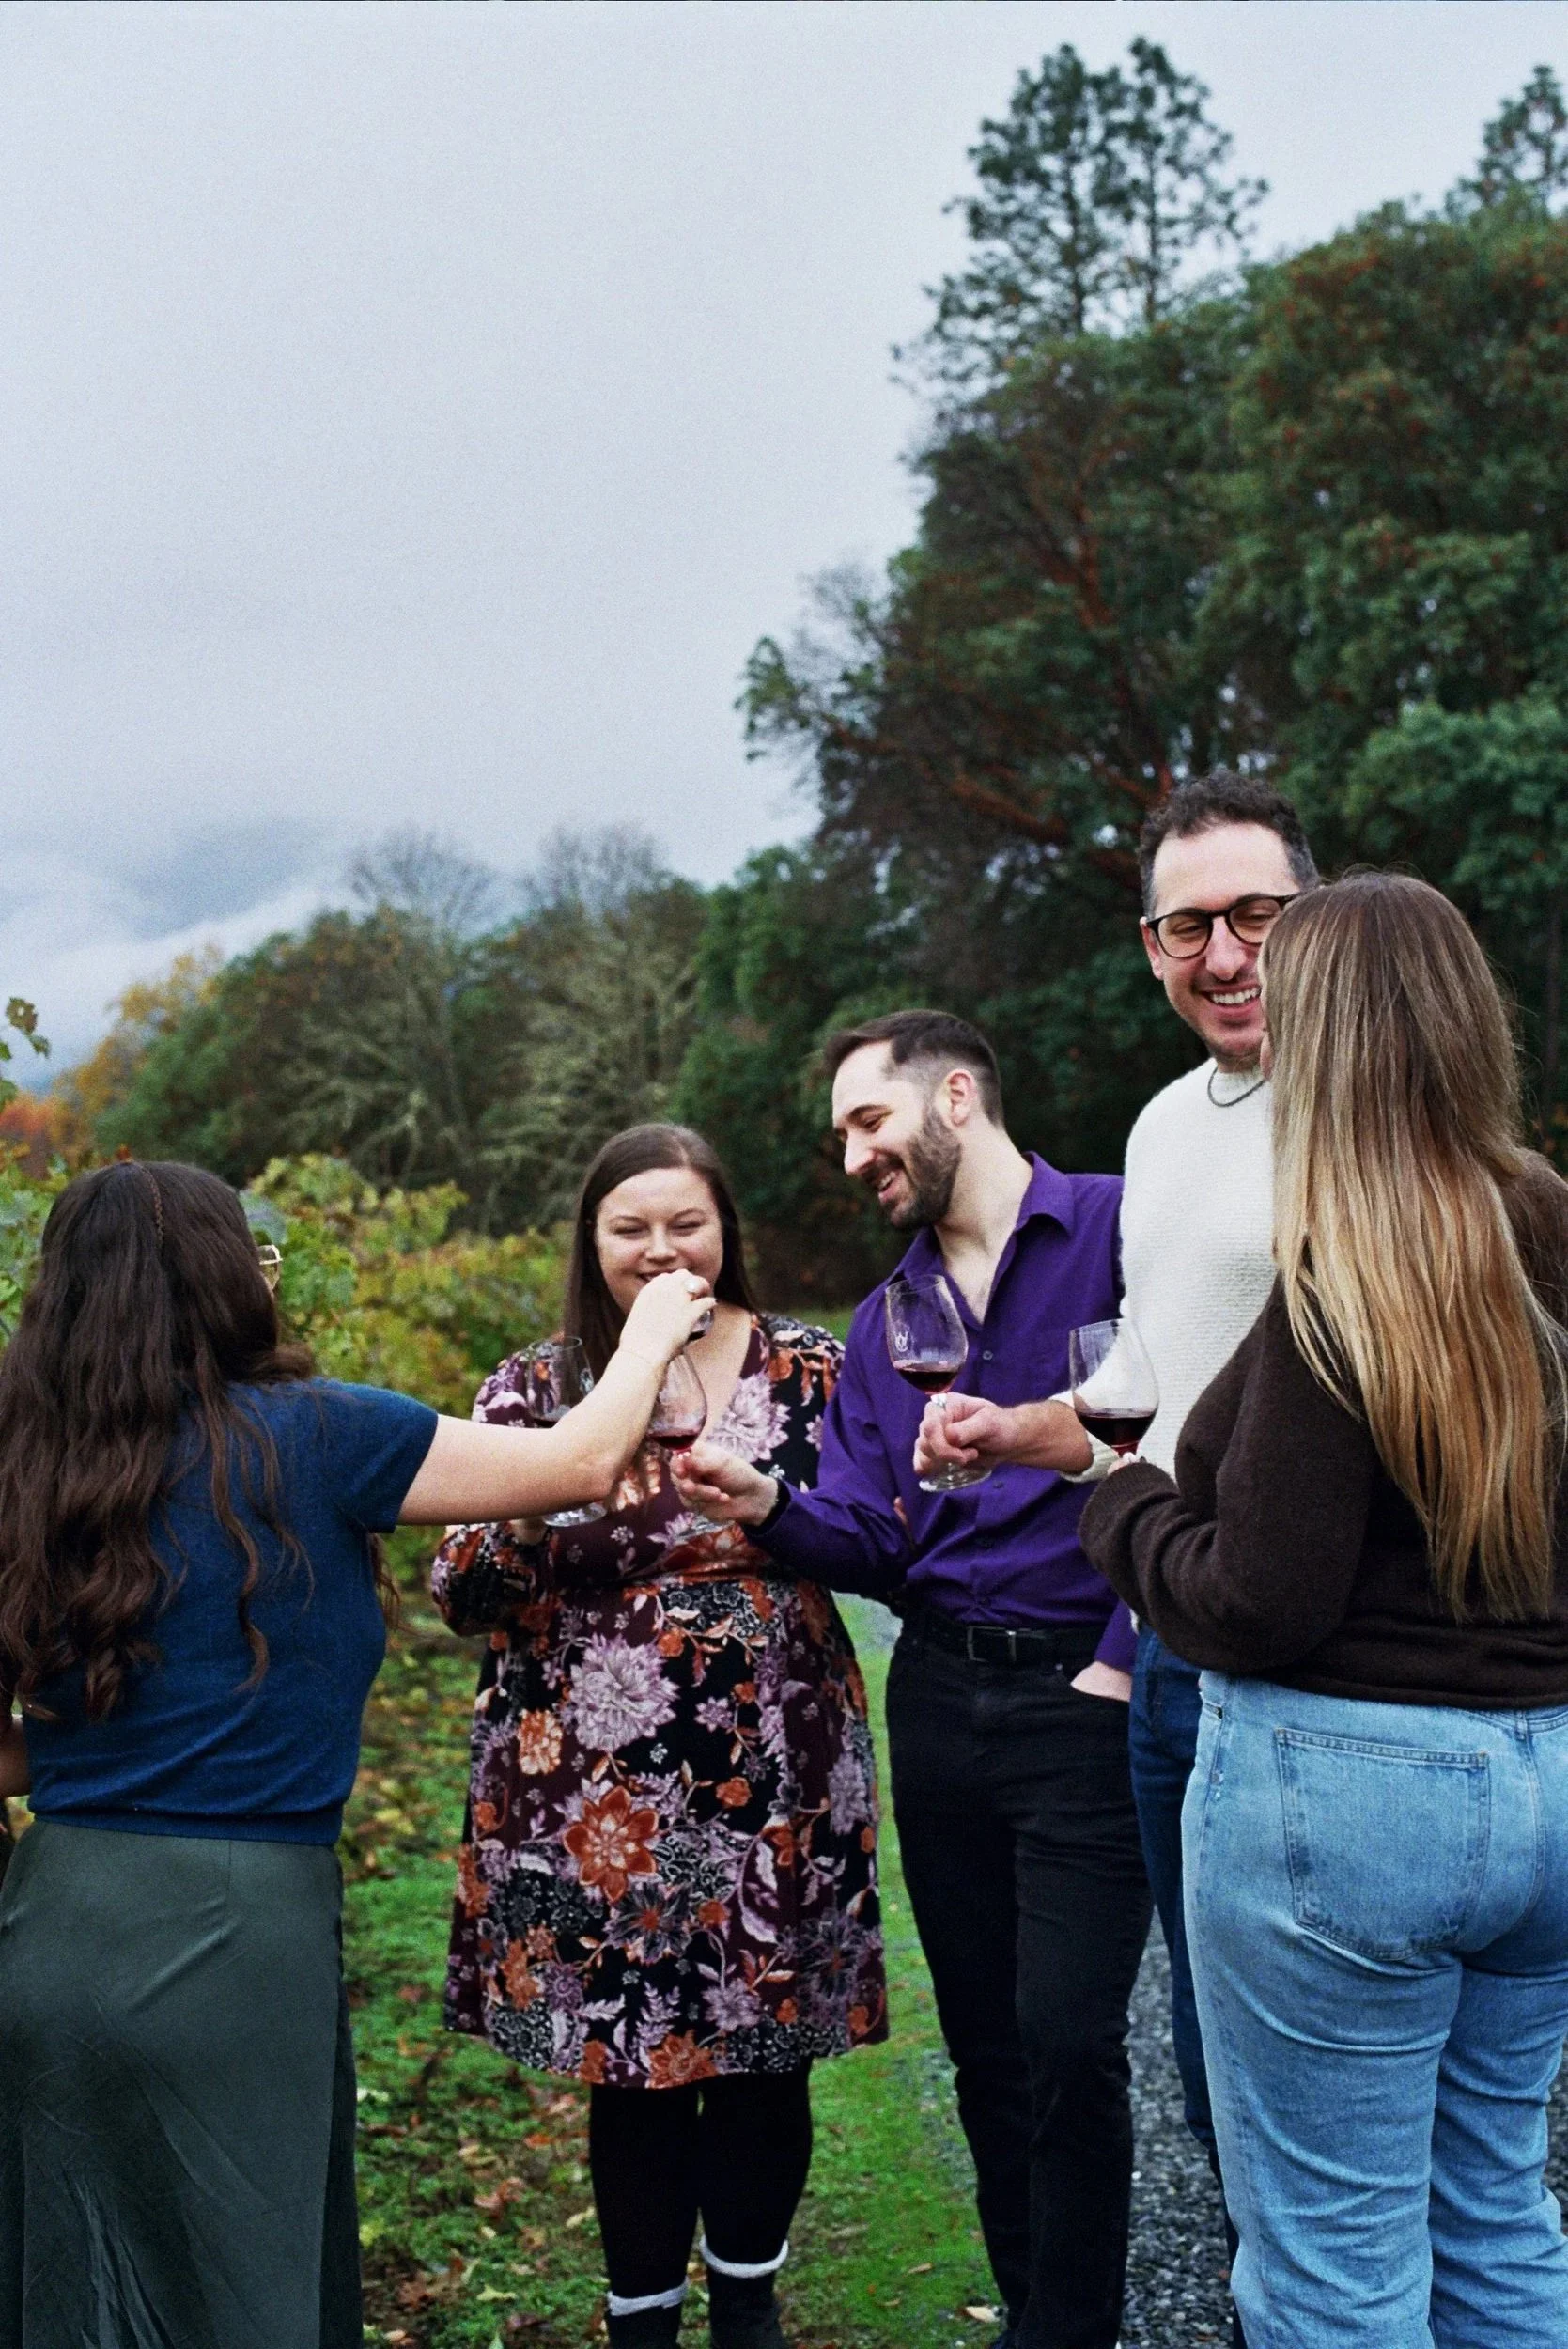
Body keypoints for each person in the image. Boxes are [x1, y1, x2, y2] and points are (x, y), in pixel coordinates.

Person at [0, 1158, 711, 2349]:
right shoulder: (320, 1434)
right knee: (246, 2281)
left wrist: (107, 1752)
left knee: (75, 2290)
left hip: (53, 1922)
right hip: (240, 1936)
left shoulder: (24, 1463)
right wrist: (648, 1327)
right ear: (227, 1277)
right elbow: (580, 1462)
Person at [1080, 874, 1568, 2347]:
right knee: (1495, 2215)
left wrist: (1120, 1504)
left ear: (1335, 1033)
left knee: (1330, 2270)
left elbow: (1258, 1601)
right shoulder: (1543, 1219)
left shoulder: (1338, 1270)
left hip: (1345, 1804)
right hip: (1543, 1779)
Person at [915, 772, 1318, 2343]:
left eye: (1253, 917)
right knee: (1219, 2082)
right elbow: (1146, 1387)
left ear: (1315, 915)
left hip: (1313, 1662)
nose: (1219, 955)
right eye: (1183, 926)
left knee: (1335, 2112)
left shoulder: (1373, 1102)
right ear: (1146, 946)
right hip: (1165, 1656)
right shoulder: (1159, 1127)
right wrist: (1016, 1431)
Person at [674, 1016, 1148, 2349]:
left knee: (1066, 2037)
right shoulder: (889, 1318)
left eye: (865, 1123)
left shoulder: (1124, 1225)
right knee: (990, 2050)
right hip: (938, 1704)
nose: (849, 1156)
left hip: (1088, 1696)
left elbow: (1190, 1439)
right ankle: (1040, 2324)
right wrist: (768, 1497)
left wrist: (1123, 1653)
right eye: (839, 1136)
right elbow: (878, 1540)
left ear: (953, 1097)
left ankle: (1077, 2327)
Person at [430, 1124, 884, 2349]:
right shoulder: (538, 1385)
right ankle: (641, 2320)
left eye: (685, 1221)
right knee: (627, 2057)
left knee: (763, 2045)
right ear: (592, 1241)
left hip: (778, 1767)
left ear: (723, 1226)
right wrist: (573, 1477)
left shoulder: (811, 1370)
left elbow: (881, 1531)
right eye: (629, 1226)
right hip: (589, 1788)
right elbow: (459, 1583)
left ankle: (747, 2302)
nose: (660, 1247)